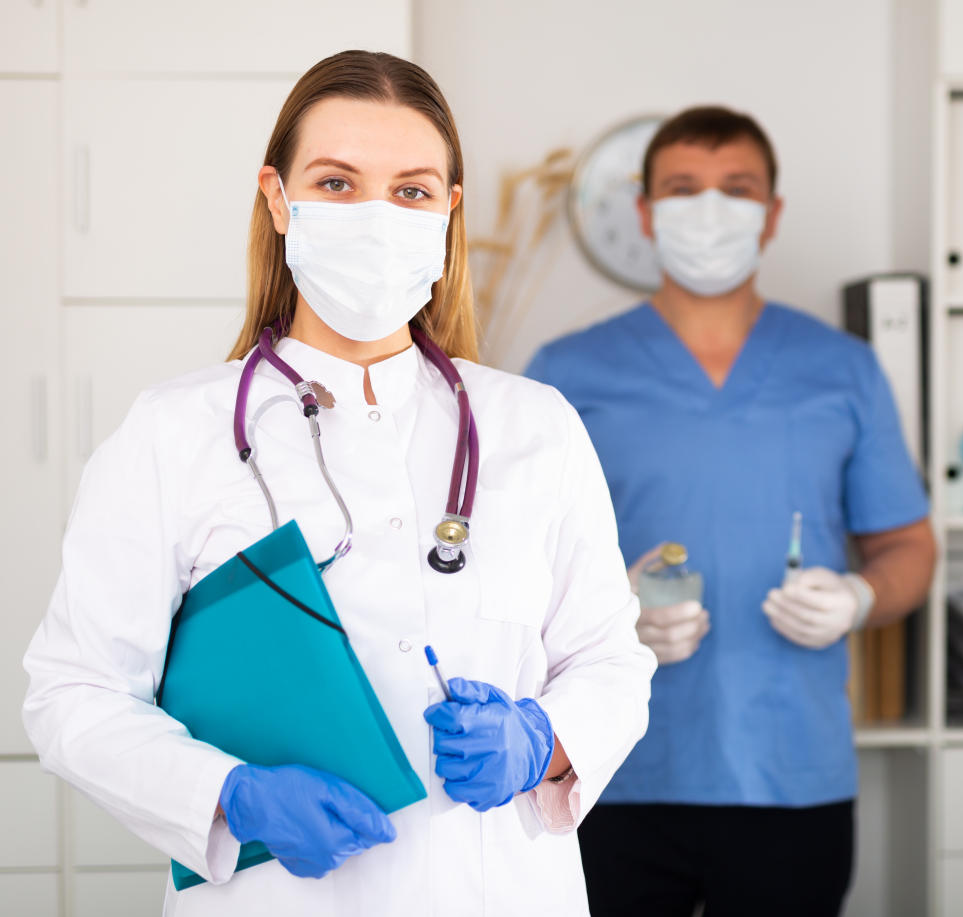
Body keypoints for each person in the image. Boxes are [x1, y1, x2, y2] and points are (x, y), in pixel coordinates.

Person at [23, 51, 655, 917]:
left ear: (447, 213)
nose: (376, 217)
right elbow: (72, 691)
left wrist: (543, 740)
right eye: (336, 183)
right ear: (278, 198)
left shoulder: (533, 426)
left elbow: (612, 661)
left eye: (411, 191)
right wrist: (230, 793)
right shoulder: (176, 432)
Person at [526, 106, 937, 916]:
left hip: (793, 774)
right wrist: (612, 617)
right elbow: (510, 577)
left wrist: (859, 596)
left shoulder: (843, 370)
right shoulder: (566, 374)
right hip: (611, 767)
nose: (709, 208)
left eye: (736, 187)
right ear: (645, 212)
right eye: (683, 188)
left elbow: (908, 546)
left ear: (772, 213)